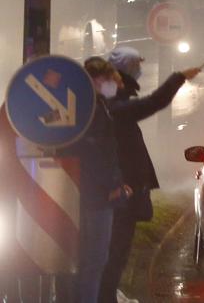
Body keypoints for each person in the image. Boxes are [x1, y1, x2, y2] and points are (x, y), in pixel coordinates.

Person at [99, 48, 201, 303]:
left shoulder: (111, 103)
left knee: (115, 255)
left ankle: (106, 295)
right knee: (113, 256)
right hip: (120, 195)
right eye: (133, 68)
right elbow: (152, 103)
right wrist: (178, 77)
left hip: (123, 192)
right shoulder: (114, 106)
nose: (137, 73)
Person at [74, 57, 132, 303]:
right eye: (110, 80)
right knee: (95, 260)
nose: (115, 86)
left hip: (85, 192)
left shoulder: (85, 105)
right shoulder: (95, 110)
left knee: (85, 260)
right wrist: (113, 185)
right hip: (98, 196)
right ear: (98, 80)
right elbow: (100, 153)